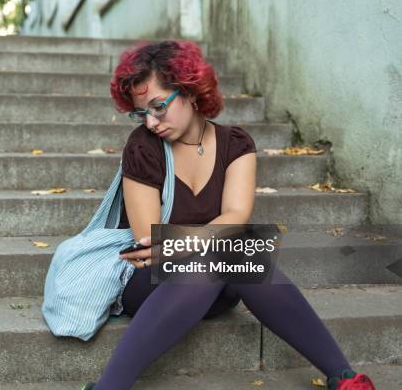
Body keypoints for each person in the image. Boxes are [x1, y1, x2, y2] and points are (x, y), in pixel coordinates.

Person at [81, 41, 375, 390]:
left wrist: (196, 239)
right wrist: (213, 237)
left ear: (189, 91)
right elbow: (149, 239)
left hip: (218, 281)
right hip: (150, 281)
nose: (151, 121)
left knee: (234, 254)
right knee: (235, 251)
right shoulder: (143, 147)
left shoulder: (235, 144)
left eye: (159, 107)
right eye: (141, 112)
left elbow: (236, 215)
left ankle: (343, 377)